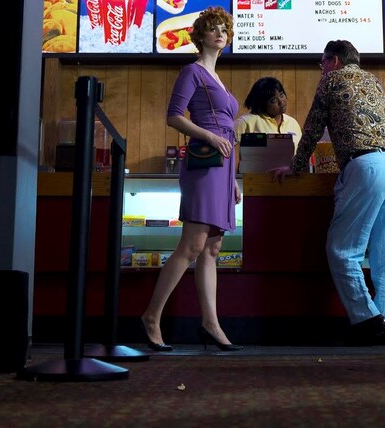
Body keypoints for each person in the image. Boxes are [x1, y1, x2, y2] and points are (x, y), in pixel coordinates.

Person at [269, 40, 385, 346]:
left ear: (333, 60)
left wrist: (296, 166)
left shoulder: (331, 80)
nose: (321, 70)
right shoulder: (373, 80)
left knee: (342, 251)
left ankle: (369, 321)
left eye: (322, 63)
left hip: (366, 166)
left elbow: (312, 127)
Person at [140, 6, 243, 352]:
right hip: (204, 162)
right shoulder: (192, 71)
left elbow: (227, 132)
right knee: (193, 245)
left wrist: (233, 180)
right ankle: (152, 317)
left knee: (212, 246)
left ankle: (211, 324)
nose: (220, 34)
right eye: (213, 29)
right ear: (200, 36)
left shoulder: (217, 77)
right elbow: (173, 117)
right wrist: (209, 136)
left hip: (222, 167)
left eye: (224, 29)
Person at [234, 77, 303, 152]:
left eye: (281, 95)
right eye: (274, 100)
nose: (281, 101)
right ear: (262, 104)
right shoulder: (246, 122)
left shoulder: (293, 123)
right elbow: (227, 143)